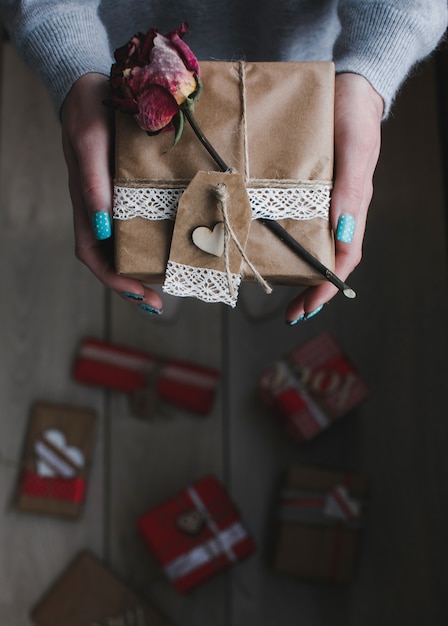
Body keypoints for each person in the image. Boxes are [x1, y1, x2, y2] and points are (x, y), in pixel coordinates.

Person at [1, 1, 446, 322]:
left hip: (293, 88)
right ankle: (193, 271)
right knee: (154, 246)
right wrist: (72, 61)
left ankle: (253, 269)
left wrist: (370, 74)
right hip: (128, 75)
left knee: (275, 256)